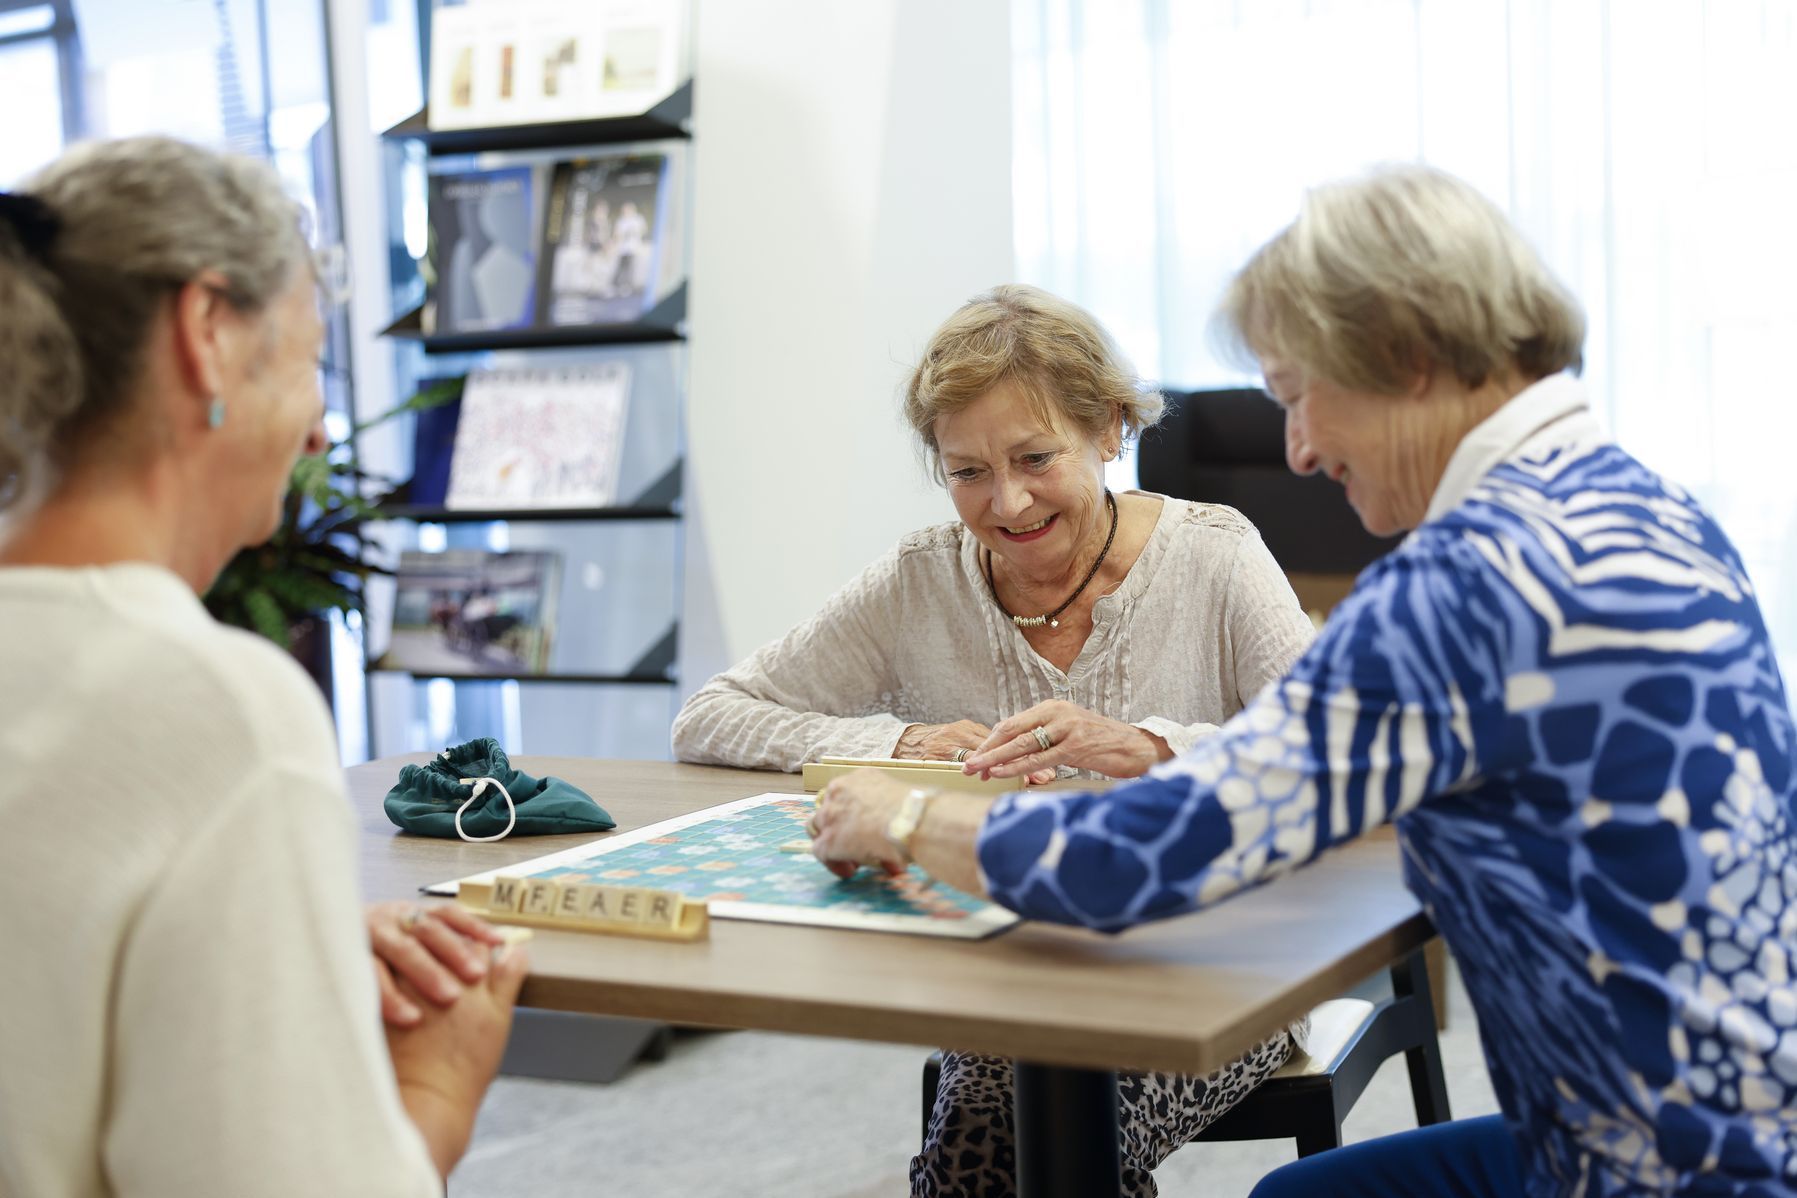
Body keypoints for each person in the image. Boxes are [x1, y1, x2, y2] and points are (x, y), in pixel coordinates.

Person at [808, 165, 1797, 1197]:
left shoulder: (1464, 587)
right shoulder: (1653, 509)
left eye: (1296, 395)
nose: (1300, 448)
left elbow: (1144, 857)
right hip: (1746, 1117)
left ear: (1408, 360)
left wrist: (909, 821)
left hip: (1648, 1168)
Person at [673, 283, 1318, 1197]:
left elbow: (1328, 754)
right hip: (1007, 954)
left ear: (1110, 431)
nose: (1006, 502)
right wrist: (899, 745)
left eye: (1033, 457)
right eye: (966, 470)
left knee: (1011, 1137)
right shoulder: (918, 580)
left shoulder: (1214, 554)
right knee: (1008, 1123)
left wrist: (1150, 745)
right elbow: (714, 713)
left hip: (1210, 956)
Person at [0, 136, 528, 1196]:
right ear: (207, 334)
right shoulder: (210, 711)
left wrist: (288, 936)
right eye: (307, 358)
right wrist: (439, 1090)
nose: (321, 428)